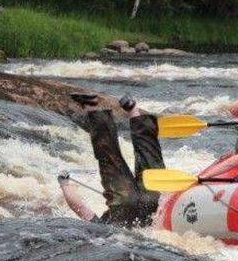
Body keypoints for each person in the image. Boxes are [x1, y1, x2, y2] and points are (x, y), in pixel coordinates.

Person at [58, 93, 165, 227]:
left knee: (148, 153)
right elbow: (79, 208)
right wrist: (64, 183)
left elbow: (79, 207)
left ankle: (131, 109)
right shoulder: (104, 224)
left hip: (149, 200)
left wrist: (64, 184)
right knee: (108, 155)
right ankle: (95, 107)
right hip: (123, 201)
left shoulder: (107, 226)